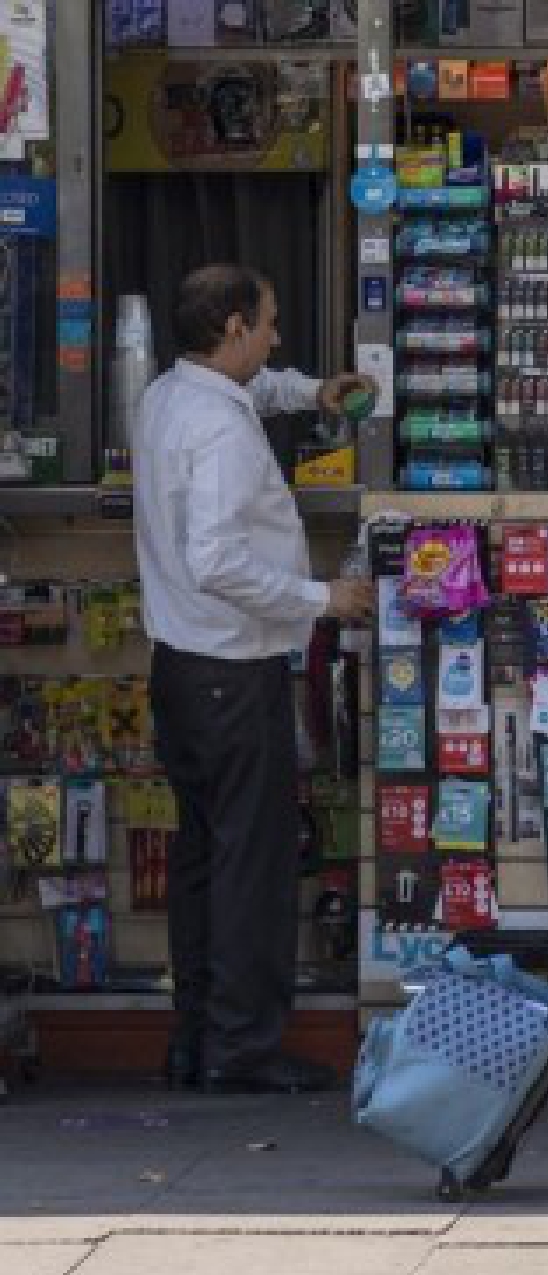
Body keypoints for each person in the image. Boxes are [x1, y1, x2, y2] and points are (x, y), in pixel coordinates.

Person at [135, 264, 375, 1094]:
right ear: (234, 327)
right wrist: (325, 597)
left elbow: (259, 389)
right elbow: (218, 561)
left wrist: (314, 392)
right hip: (234, 672)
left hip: (180, 668)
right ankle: (243, 1049)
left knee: (204, 858)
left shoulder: (171, 396)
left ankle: (196, 1036)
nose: (276, 338)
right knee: (252, 865)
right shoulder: (223, 436)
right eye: (268, 324)